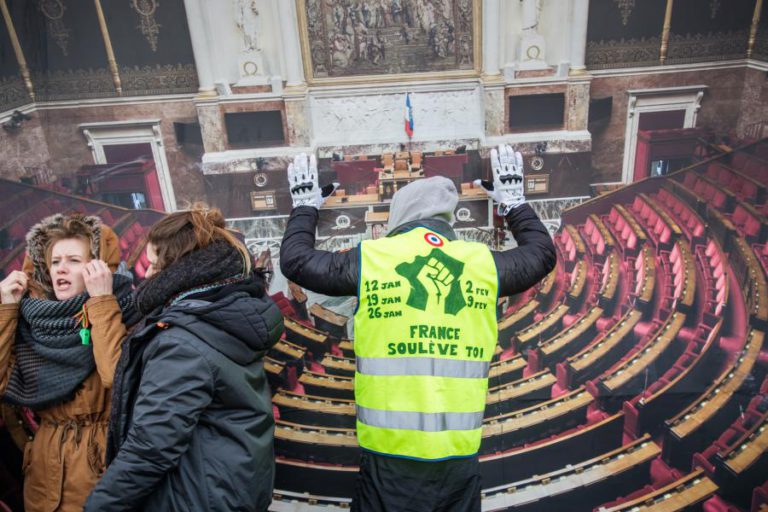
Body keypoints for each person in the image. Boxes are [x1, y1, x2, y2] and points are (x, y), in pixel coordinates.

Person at [280, 146, 556, 511]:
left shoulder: (373, 259)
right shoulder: (480, 263)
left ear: (398, 215)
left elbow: (296, 260)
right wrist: (515, 204)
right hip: (459, 458)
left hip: (387, 461)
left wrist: (305, 208)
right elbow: (541, 254)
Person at [85, 205, 284, 511]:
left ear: (176, 269)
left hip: (194, 499)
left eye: (153, 265)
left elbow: (149, 449)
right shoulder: (223, 313)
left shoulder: (181, 343)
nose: (146, 275)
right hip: (228, 489)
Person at [0, 213, 138, 512]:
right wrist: (6, 309)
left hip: (100, 472)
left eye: (74, 260)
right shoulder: (32, 324)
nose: (61, 269)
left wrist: (101, 301)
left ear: (98, 268)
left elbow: (116, 377)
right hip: (42, 478)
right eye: (54, 262)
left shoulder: (125, 313)